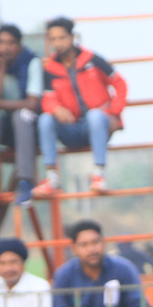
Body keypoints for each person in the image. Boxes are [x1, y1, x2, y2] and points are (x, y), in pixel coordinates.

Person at [32, 16, 126, 197]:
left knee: (95, 116)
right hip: (71, 128)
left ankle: (99, 175)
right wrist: (56, 109)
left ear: (72, 37)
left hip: (98, 126)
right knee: (45, 119)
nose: (58, 43)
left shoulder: (93, 60)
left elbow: (120, 84)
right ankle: (51, 177)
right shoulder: (50, 68)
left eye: (62, 38)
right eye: (53, 39)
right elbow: (47, 98)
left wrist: (114, 113)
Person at [0, 24, 41, 208]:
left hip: (28, 127)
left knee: (22, 116)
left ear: (19, 46)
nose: (5, 48)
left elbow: (32, 103)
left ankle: (25, 182)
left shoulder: (32, 61)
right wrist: (2, 68)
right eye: (1, 43)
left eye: (11, 43)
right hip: (1, 127)